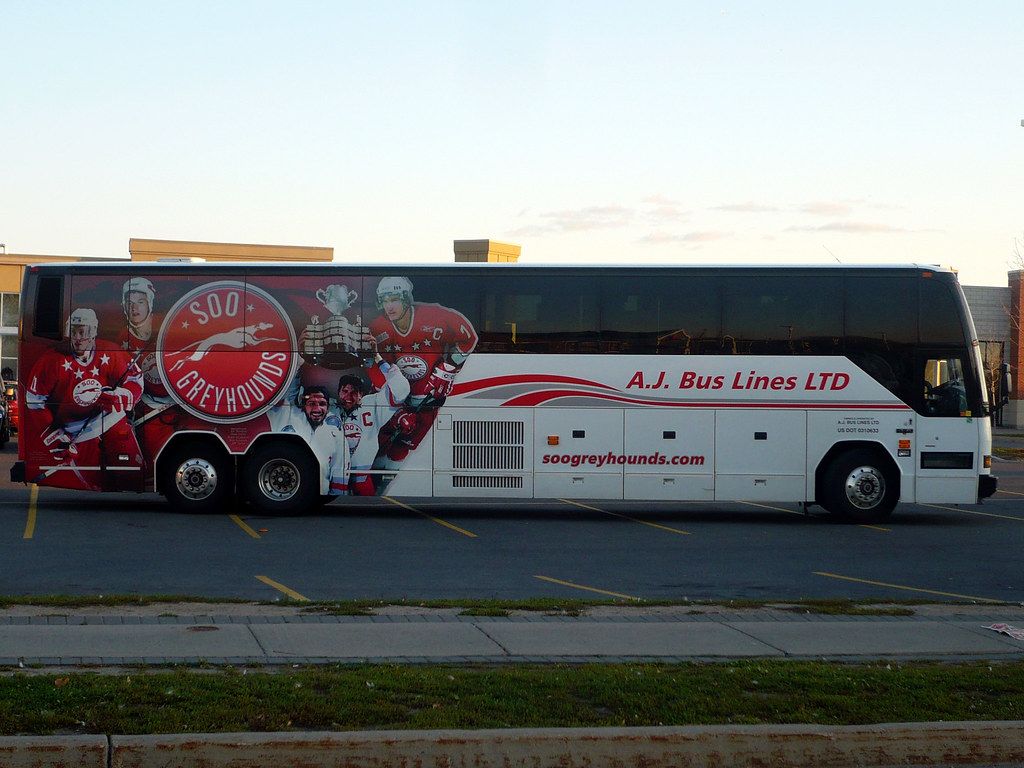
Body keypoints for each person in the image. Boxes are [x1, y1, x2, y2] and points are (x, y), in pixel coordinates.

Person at [25, 308, 144, 491]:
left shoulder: (110, 351)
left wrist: (123, 396)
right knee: (94, 482)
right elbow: (34, 400)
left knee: (133, 474)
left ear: (93, 332)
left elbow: (135, 378)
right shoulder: (52, 360)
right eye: (74, 332)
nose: (78, 338)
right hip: (76, 433)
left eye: (83, 332)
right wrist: (54, 435)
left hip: (110, 420)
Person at [369, 276, 477, 463]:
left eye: (394, 299)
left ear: (405, 299)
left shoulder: (435, 314)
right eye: (385, 301)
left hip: (428, 398)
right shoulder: (378, 327)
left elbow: (470, 338)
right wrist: (395, 407)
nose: (389, 306)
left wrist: (448, 366)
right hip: (396, 402)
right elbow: (374, 365)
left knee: (401, 453)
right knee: (378, 450)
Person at [116, 278, 175, 479]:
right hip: (146, 412)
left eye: (140, 302)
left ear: (150, 303)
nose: (134, 308)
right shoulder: (120, 339)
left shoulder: (168, 331)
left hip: (177, 408)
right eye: (130, 303)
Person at [329, 356, 410, 495]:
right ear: (338, 392)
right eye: (345, 391)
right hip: (334, 476)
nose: (349, 396)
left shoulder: (372, 404)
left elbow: (400, 389)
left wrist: (379, 359)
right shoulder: (328, 408)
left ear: (361, 394)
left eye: (354, 392)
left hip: (362, 477)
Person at [267, 383, 351, 497]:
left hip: (320, 495)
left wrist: (336, 495)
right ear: (303, 405)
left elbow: (340, 467)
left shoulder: (334, 431)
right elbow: (282, 393)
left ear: (328, 407)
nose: (317, 409)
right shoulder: (288, 414)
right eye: (311, 403)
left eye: (322, 404)